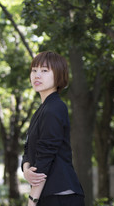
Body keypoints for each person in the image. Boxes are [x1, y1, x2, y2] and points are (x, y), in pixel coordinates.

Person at [21, 51, 85, 206]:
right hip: (49, 195)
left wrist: (32, 200)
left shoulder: (55, 108)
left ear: (58, 76)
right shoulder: (41, 110)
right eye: (34, 70)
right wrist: (26, 170)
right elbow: (28, 148)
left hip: (61, 196)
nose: (37, 75)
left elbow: (45, 156)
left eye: (44, 71)